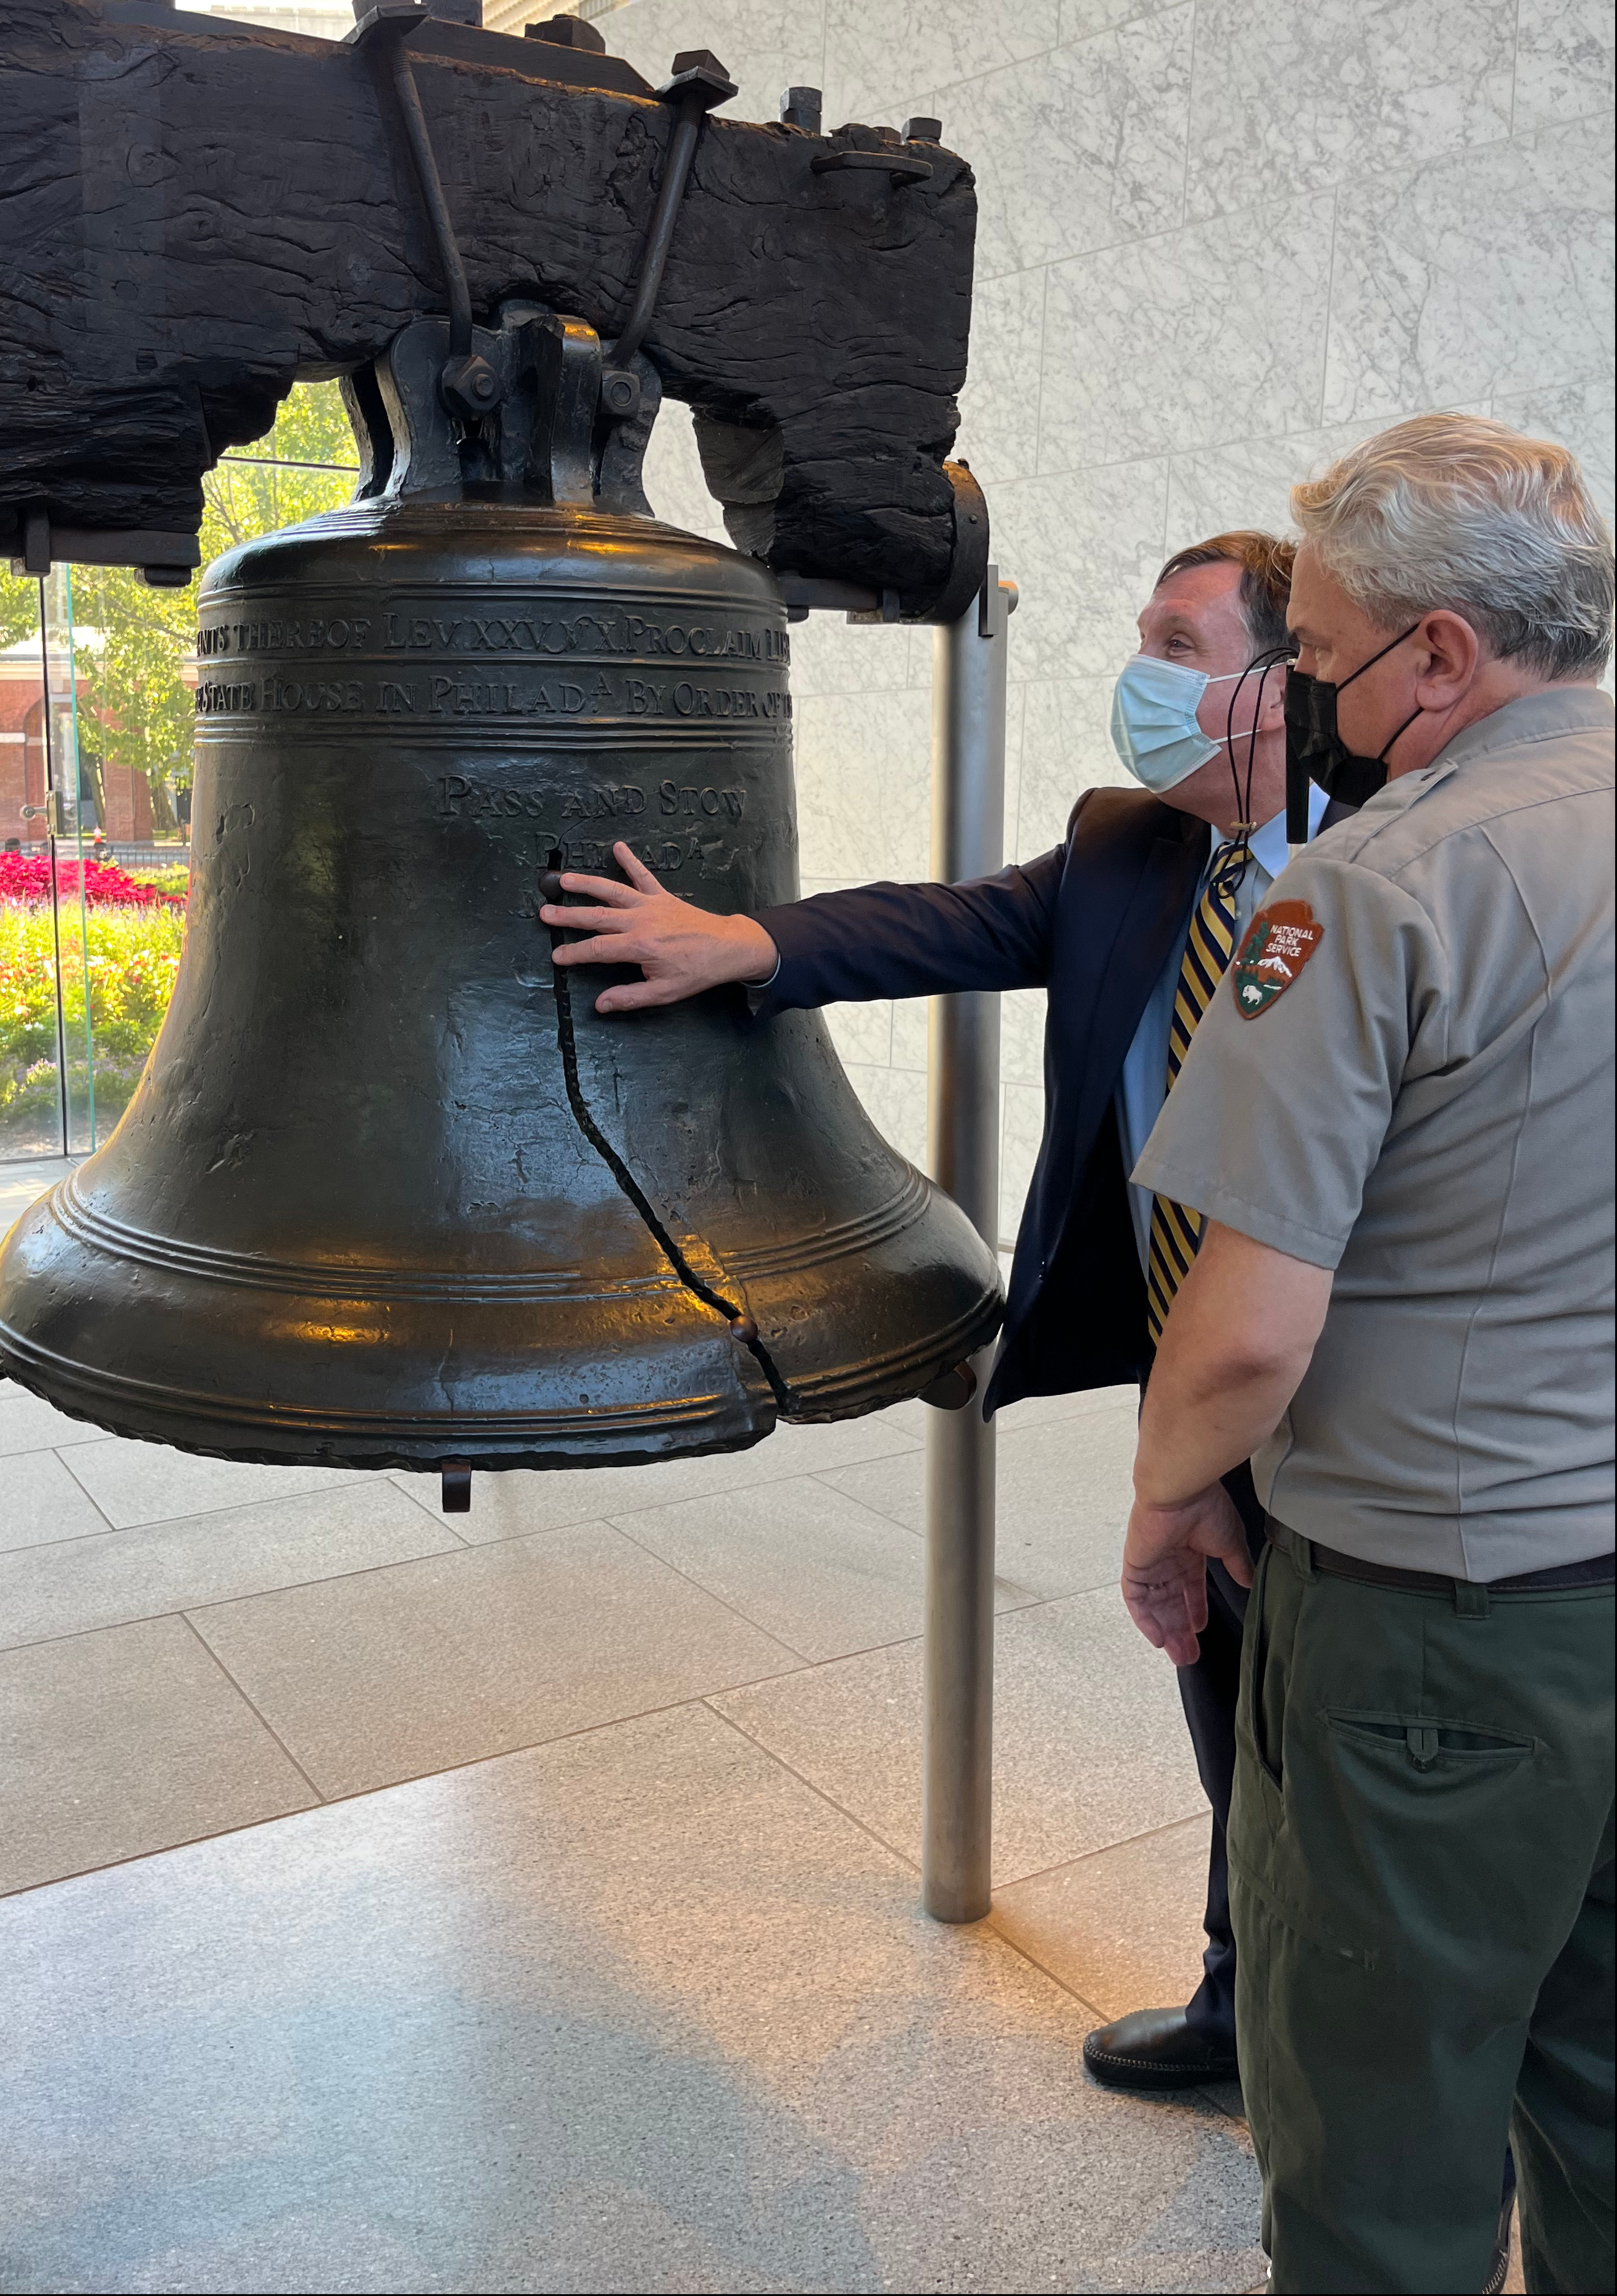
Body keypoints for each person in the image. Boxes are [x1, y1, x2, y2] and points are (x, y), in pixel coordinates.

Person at [541, 528, 1324, 2092]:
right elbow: (955, 920)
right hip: (1190, 1365)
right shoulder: (1130, 844)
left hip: (1345, 1383)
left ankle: (1380, 2063)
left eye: (1179, 644)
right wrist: (746, 942)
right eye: (1140, 635)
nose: (1141, 675)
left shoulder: (1388, 863)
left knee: (1346, 1735)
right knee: (1222, 1686)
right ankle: (1244, 2003)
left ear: (1282, 683)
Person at [1123, 415, 1614, 2294]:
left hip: (1435, 1620)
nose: (1302, 697)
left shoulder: (1365, 887)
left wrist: (1166, 1507)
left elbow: (1244, 1332)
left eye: (1316, 658)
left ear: (1440, 655)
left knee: (1375, 2151)